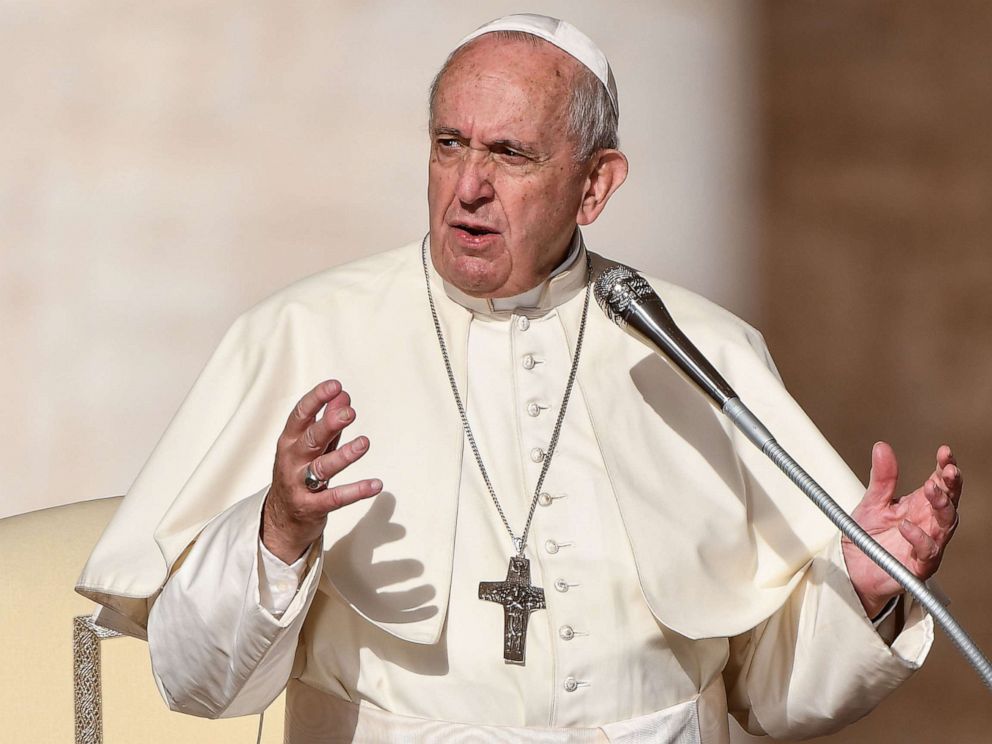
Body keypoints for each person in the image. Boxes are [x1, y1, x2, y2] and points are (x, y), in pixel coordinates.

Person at [77, 14, 962, 744]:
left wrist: (864, 593)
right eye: (449, 143)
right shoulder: (303, 333)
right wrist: (276, 532)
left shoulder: (702, 351)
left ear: (594, 186)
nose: (467, 185)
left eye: (510, 154)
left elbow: (770, 700)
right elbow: (199, 685)